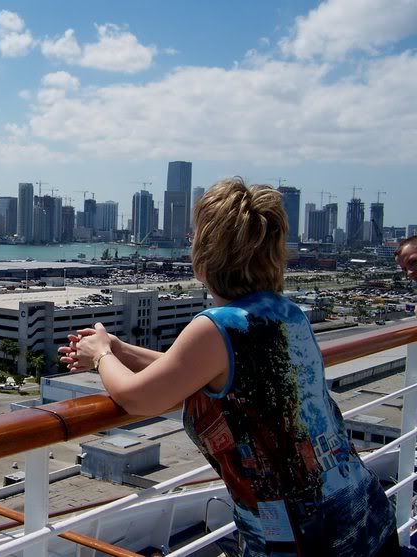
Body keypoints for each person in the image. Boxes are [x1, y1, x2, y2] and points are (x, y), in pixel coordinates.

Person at [60, 177, 398, 556]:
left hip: (305, 540)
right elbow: (195, 374)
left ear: (208, 250)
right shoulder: (285, 314)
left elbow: (138, 399)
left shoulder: (215, 326)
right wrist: (122, 350)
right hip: (367, 517)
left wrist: (100, 354)